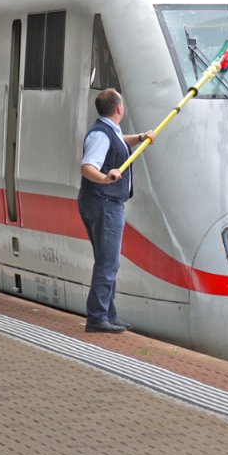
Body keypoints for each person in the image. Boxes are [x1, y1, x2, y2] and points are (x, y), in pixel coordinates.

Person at [78, 89, 155, 333]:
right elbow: (87, 167)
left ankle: (108, 314)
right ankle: (98, 317)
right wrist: (105, 178)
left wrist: (141, 137)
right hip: (104, 203)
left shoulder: (109, 130)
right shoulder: (101, 136)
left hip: (103, 202)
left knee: (108, 260)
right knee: (108, 262)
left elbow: (120, 142)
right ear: (119, 109)